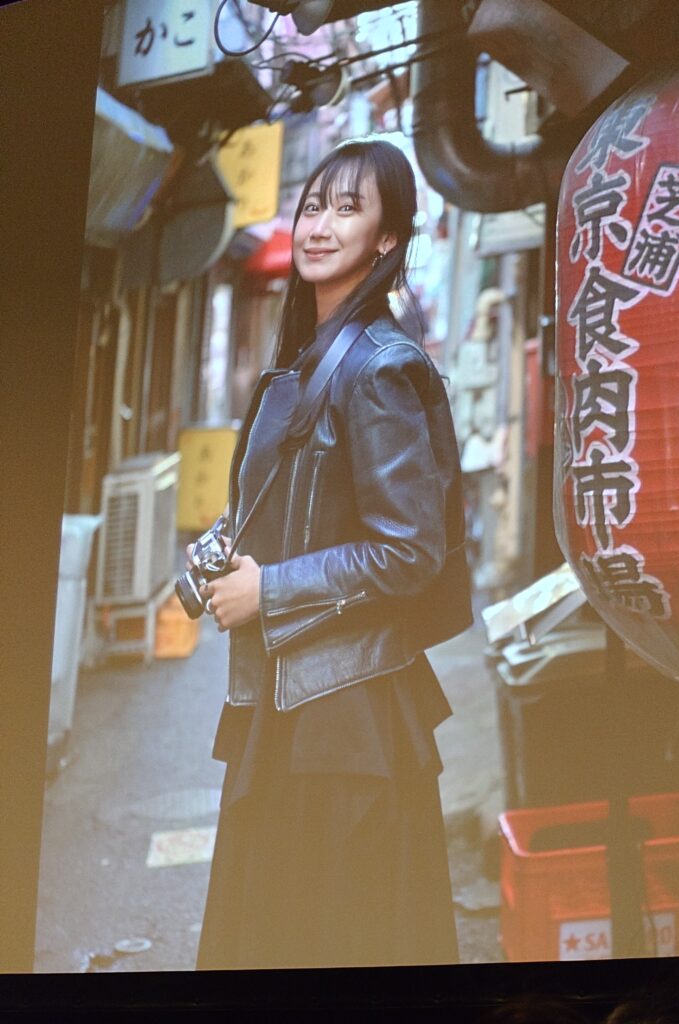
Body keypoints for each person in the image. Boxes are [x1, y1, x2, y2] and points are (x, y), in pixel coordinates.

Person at [193, 138, 473, 970]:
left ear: (386, 238)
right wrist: (213, 556)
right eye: (314, 204)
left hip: (346, 721)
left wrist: (270, 591)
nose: (319, 225)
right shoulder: (309, 358)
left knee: (333, 941)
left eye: (348, 209)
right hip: (289, 704)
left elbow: (410, 552)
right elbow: (282, 507)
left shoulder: (379, 368)